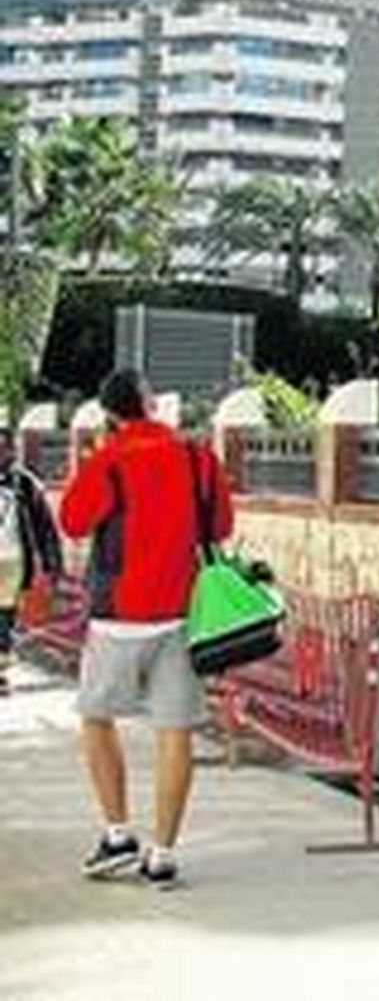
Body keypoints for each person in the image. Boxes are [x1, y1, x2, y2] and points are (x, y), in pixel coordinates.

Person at [60, 370, 234, 889]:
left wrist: (93, 459)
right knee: (174, 732)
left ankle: (117, 835)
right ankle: (162, 854)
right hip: (183, 617)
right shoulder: (198, 457)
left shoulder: (108, 461)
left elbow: (72, 520)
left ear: (111, 413)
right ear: (151, 404)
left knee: (95, 718)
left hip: (117, 619)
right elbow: (221, 527)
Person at [0, 427, 64, 695]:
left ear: (12, 450)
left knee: (5, 616)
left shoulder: (24, 484)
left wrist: (52, 564)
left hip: (12, 561)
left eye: (3, 447)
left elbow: (44, 526)